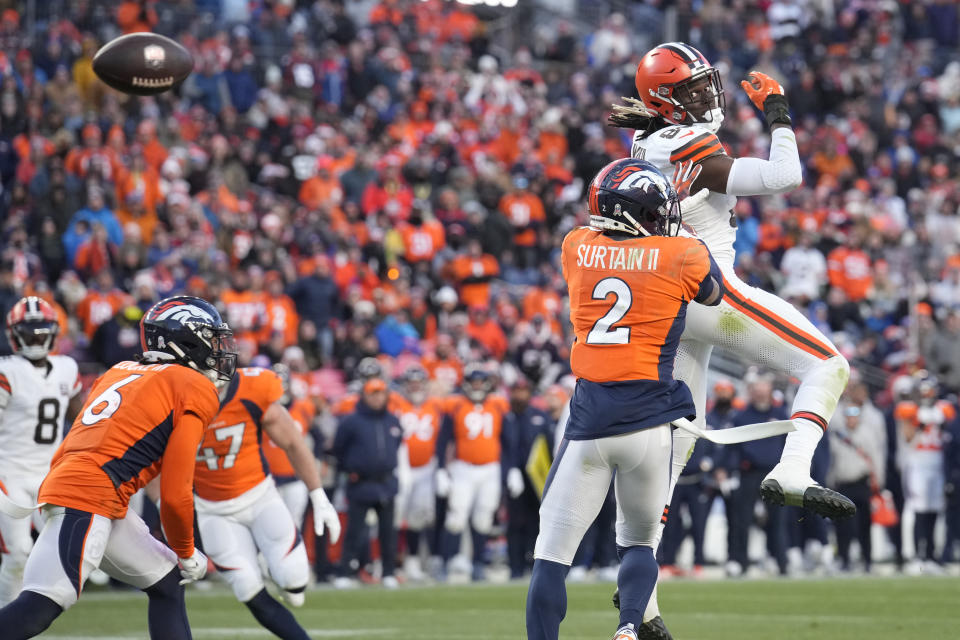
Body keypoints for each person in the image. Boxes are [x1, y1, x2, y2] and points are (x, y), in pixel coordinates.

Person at [611, 42, 853, 638]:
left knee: (673, 454)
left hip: (673, 302)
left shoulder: (653, 141)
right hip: (706, 291)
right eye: (690, 89)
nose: (705, 95)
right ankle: (794, 469)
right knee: (828, 366)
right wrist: (779, 114)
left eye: (703, 84)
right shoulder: (674, 142)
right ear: (665, 100)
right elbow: (784, 175)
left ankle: (639, 612)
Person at [525, 157, 723, 640]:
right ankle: (629, 627)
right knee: (639, 544)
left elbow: (608, 246)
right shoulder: (681, 253)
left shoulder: (576, 246)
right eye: (654, 213)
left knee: (550, 558)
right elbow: (714, 293)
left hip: (590, 424)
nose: (662, 220)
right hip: (652, 425)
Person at [0, 296, 235, 639]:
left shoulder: (119, 370)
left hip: (81, 487)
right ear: (185, 339)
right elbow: (175, 491)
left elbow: (70, 447)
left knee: (167, 581)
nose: (218, 349)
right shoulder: (194, 386)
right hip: (90, 495)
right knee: (44, 602)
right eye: (209, 338)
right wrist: (185, 549)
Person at [193, 364, 340, 640]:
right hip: (213, 510)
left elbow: (294, 443)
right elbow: (157, 468)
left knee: (295, 583)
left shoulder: (251, 388)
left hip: (260, 497)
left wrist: (318, 495)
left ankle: (268, 561)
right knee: (247, 586)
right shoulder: (173, 397)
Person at [0, 297, 83, 606]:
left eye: (40, 330)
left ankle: (31, 608)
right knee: (18, 552)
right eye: (28, 331)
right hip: (8, 472)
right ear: (14, 334)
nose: (35, 337)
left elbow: (81, 418)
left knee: (62, 547)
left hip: (50, 474)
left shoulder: (67, 367)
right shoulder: (7, 371)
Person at [435, 365, 513, 581]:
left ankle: (477, 563)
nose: (477, 387)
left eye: (480, 382)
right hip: (463, 468)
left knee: (483, 518)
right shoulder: (457, 406)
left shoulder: (497, 405)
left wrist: (511, 469)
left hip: (490, 469)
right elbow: (443, 441)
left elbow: (508, 442)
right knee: (456, 517)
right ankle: (445, 562)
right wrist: (441, 470)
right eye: (474, 382)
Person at [332, 377, 406, 589]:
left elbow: (397, 444)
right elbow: (339, 449)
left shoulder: (392, 420)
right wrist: (351, 470)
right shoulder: (351, 421)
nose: (377, 398)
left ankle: (388, 572)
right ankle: (345, 572)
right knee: (355, 531)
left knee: (387, 532)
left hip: (386, 483)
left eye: (380, 393)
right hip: (361, 483)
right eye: (373, 393)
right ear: (365, 395)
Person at [719, 376, 789, 577]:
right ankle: (739, 561)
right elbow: (731, 445)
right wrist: (725, 467)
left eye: (763, 387)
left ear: (770, 389)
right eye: (756, 388)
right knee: (742, 519)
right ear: (751, 391)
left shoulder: (780, 414)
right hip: (748, 472)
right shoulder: (741, 416)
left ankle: (779, 560)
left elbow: (788, 444)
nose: (760, 392)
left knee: (778, 520)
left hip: (775, 474)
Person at [394, 364, 444, 581]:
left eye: (418, 383)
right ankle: (389, 562)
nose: (415, 388)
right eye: (411, 384)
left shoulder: (436, 405)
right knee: (394, 516)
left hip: (426, 468)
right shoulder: (395, 404)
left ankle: (413, 561)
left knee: (418, 516)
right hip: (399, 468)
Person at [504, 377, 552, 579]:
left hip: (536, 477)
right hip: (514, 477)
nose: (520, 395)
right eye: (516, 391)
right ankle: (515, 567)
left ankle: (533, 564)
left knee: (536, 523)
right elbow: (504, 448)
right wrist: (509, 470)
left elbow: (549, 447)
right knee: (515, 523)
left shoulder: (540, 416)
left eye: (523, 391)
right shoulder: (506, 417)